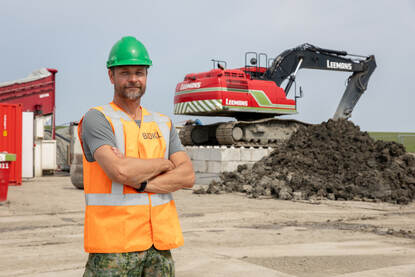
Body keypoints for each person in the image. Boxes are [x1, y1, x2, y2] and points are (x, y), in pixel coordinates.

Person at [78, 36, 195, 276]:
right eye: (125, 72)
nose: (133, 79)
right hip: (114, 248)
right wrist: (165, 163)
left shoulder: (163, 123)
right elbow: (119, 171)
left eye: (139, 72)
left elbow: (188, 176)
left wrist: (140, 181)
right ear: (111, 76)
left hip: (159, 246)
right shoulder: (98, 119)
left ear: (146, 76)